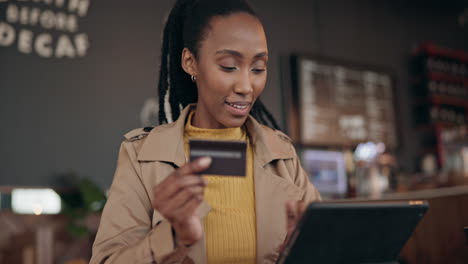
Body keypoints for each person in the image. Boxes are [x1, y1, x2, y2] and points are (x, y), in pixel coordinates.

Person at [90, 0, 321, 263]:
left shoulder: (283, 156)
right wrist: (174, 236)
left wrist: (300, 252)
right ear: (190, 62)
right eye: (229, 66)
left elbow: (334, 250)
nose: (247, 86)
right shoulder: (141, 155)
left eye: (258, 68)